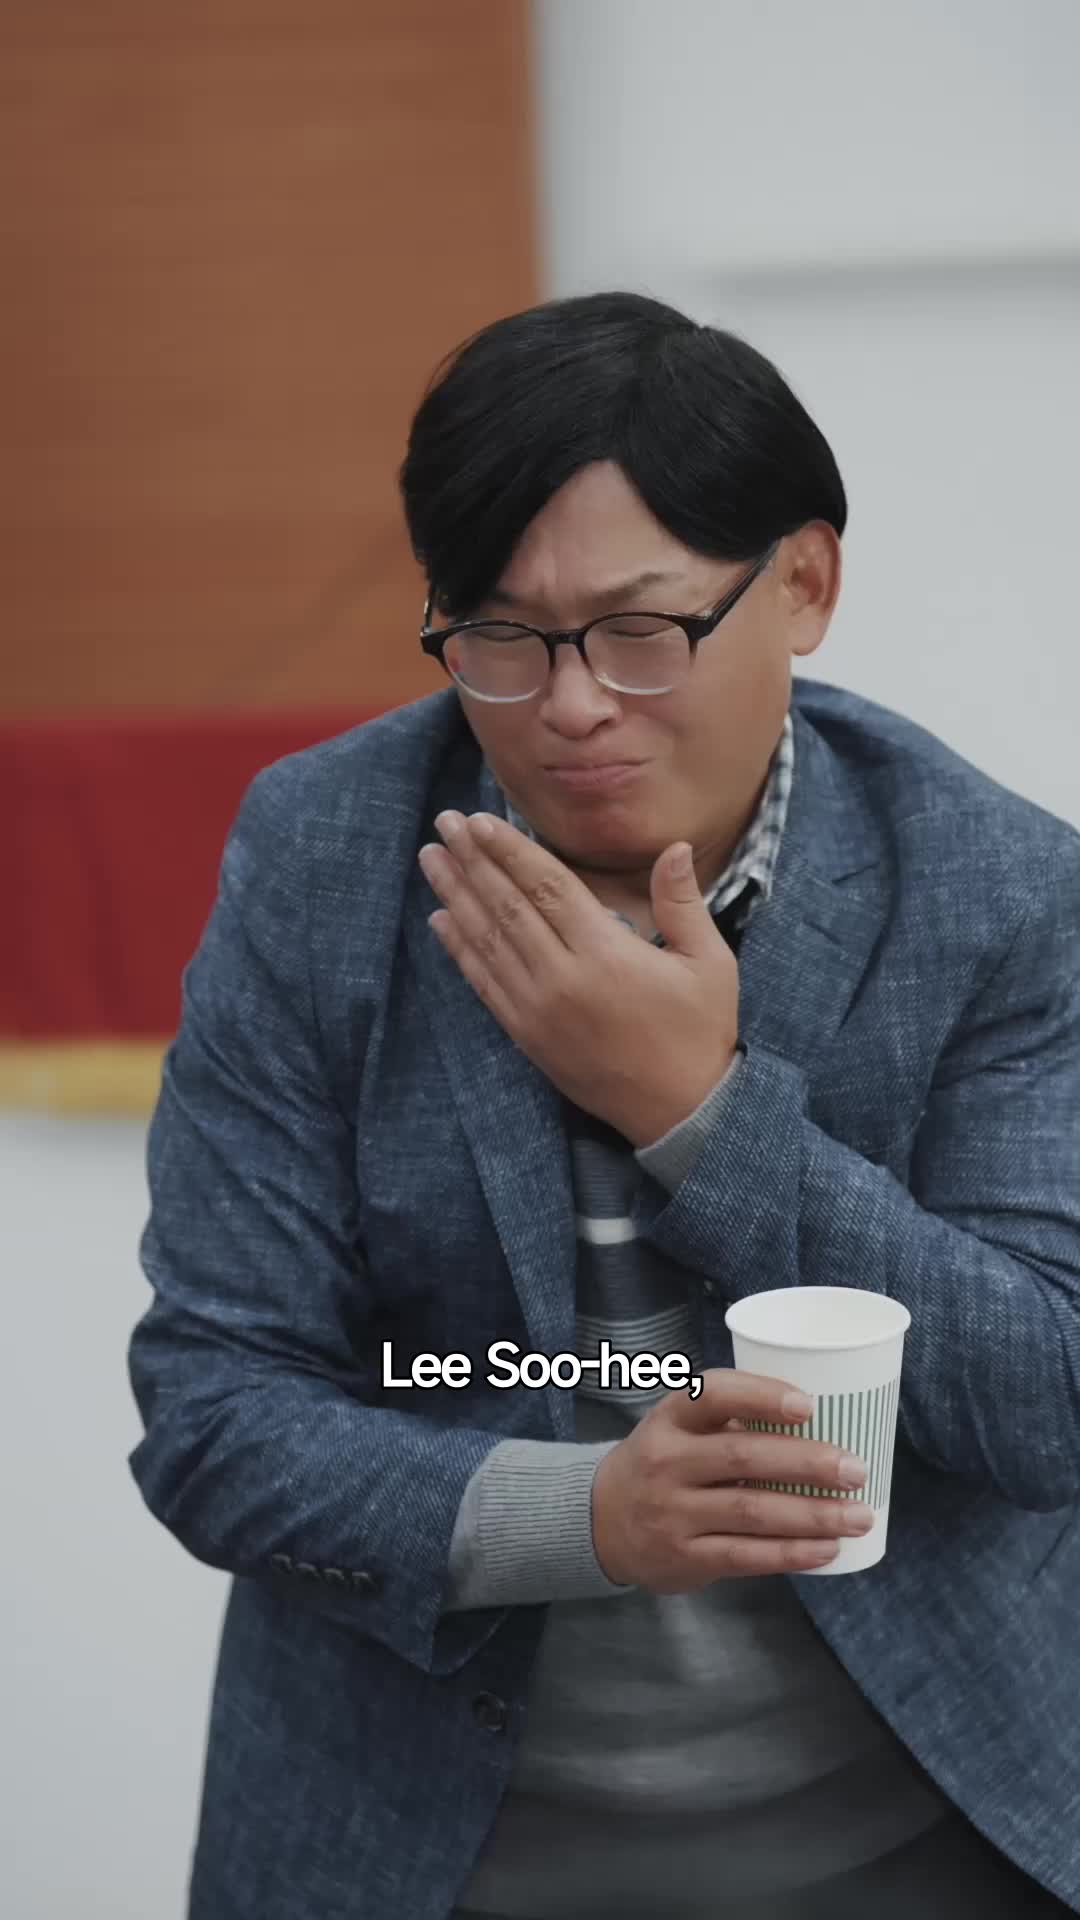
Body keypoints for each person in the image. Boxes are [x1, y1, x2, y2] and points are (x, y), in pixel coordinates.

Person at [127, 292, 1080, 1920]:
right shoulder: (324, 858)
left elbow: (1048, 1396)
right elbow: (216, 1409)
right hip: (431, 1851)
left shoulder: (994, 888)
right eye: (500, 637)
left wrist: (696, 1110)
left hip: (923, 1837)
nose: (569, 706)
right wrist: (587, 1515)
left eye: (642, 633)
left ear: (803, 584)